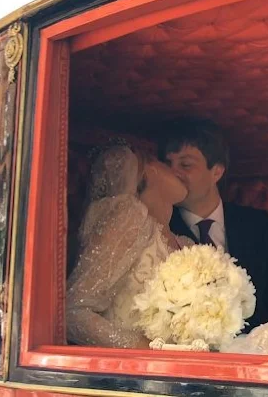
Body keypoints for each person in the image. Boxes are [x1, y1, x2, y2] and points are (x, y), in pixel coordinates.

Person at [158, 118, 268, 331]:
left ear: (216, 172)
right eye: (167, 164)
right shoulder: (160, 227)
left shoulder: (256, 225)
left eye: (185, 164)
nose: (173, 172)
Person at [66, 144, 191, 348]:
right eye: (167, 163)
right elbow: (73, 312)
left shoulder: (186, 243)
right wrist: (146, 351)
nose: (179, 170)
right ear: (150, 170)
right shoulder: (129, 219)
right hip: (133, 375)